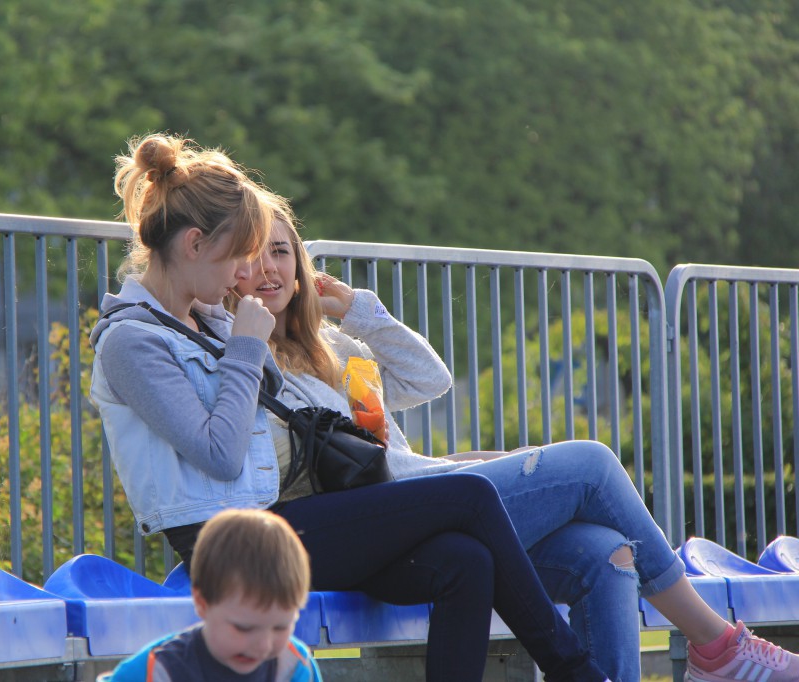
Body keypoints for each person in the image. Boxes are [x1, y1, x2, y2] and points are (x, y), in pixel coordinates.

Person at [90, 132, 612, 682]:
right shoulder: (131, 340)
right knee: (471, 494)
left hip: (291, 514)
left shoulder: (210, 320)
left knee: (465, 559)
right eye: (237, 257)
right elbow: (219, 454)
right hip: (230, 539)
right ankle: (575, 672)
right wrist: (245, 346)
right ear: (195, 244)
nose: (243, 276)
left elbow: (336, 399)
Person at [231, 213, 799, 682]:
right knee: (592, 465)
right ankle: (716, 646)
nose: (269, 267)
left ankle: (709, 654)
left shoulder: (333, 347)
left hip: (433, 492)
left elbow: (429, 379)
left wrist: (358, 308)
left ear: (301, 265)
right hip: (390, 517)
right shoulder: (247, 355)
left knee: (606, 554)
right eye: (253, 255)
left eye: (280, 251)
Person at [103, 508, 321, 682]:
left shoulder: (294, 666)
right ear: (202, 602)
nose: (263, 645)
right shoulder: (156, 671)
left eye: (280, 627)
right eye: (243, 628)